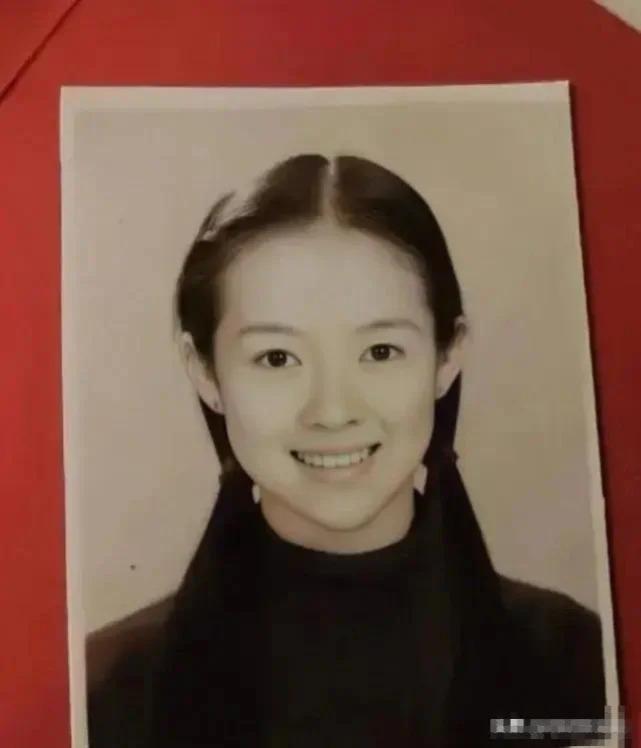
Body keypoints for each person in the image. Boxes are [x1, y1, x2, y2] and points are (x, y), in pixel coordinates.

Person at [87, 154, 606, 747]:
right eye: (277, 358)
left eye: (380, 352)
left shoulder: (576, 663)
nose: (332, 411)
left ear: (448, 356)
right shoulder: (108, 691)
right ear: (205, 371)